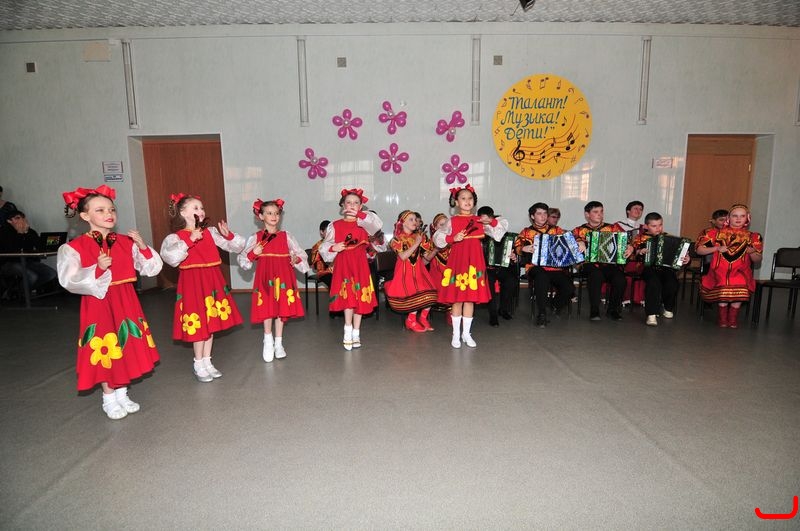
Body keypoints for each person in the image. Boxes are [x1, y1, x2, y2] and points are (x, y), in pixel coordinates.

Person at [57, 185, 162, 420]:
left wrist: (142, 247)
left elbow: (151, 268)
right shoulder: (74, 247)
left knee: (126, 345)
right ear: (85, 216)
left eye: (112, 209)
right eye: (100, 210)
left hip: (126, 301)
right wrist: (98, 269)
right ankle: (109, 397)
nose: (109, 214)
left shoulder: (126, 241)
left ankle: (122, 393)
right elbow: (69, 280)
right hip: (99, 303)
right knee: (105, 347)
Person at [159, 193, 245, 382]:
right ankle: (198, 363)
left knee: (210, 323)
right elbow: (170, 258)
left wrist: (228, 235)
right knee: (198, 324)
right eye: (196, 208)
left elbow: (237, 247)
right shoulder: (176, 238)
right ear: (183, 212)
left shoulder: (210, 232)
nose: (201, 211)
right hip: (193, 284)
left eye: (202, 208)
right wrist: (190, 239)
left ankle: (207, 361)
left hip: (212, 281)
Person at [433, 184, 506, 348]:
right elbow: (438, 238)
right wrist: (452, 238)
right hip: (458, 263)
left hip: (474, 263)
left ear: (474, 201)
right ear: (456, 202)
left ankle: (466, 334)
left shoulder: (479, 221)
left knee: (470, 299)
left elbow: (499, 232)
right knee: (457, 299)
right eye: (463, 198)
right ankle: (455, 335)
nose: (467, 201)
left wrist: (492, 221)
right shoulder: (452, 221)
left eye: (470, 198)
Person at [238, 198, 309, 362]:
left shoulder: (286, 236)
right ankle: (268, 340)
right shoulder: (256, 237)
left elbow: (301, 254)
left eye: (277, 213)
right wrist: (254, 253)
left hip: (284, 277)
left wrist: (295, 259)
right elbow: (243, 260)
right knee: (267, 309)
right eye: (269, 213)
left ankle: (279, 343)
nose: (274, 216)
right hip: (265, 279)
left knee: (281, 309)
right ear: (261, 216)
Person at [319, 188, 383, 350]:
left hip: (360, 266)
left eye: (356, 203)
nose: (352, 205)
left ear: (361, 206)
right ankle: (347, 330)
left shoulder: (365, 224)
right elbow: (324, 247)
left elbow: (377, 225)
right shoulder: (335, 225)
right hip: (344, 265)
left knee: (360, 298)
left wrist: (360, 215)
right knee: (348, 298)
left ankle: (356, 332)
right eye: (349, 202)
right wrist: (334, 247)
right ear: (343, 205)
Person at [695, 204, 762, 328]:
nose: (738, 219)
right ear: (728, 218)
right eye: (735, 216)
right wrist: (717, 248)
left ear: (747, 218)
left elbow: (757, 259)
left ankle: (732, 318)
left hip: (741, 271)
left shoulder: (753, 237)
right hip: (719, 270)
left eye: (742, 216)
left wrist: (752, 252)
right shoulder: (714, 233)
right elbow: (699, 250)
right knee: (724, 283)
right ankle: (722, 318)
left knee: (740, 282)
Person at [514, 202, 575, 327]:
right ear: (532, 216)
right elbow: (516, 247)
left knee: (569, 288)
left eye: (545, 213)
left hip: (555, 268)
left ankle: (554, 304)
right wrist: (523, 248)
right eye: (539, 214)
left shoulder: (557, 230)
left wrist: (579, 243)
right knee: (542, 277)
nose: (543, 216)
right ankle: (541, 314)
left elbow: (571, 243)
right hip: (535, 267)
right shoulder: (526, 232)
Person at [572, 201, 632, 321]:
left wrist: (630, 247)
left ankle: (612, 309)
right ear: (587, 214)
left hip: (608, 263)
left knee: (620, 279)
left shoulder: (612, 228)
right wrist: (579, 241)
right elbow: (569, 242)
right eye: (595, 212)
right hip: (587, 264)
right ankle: (594, 310)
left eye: (601, 211)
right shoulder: (579, 230)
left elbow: (626, 241)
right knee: (596, 275)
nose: (600, 214)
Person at [631, 212, 690, 326]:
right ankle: (651, 314)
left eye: (660, 225)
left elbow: (681, 254)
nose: (658, 228)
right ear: (646, 226)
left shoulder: (668, 237)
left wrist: (687, 259)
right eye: (654, 226)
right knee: (653, 282)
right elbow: (632, 253)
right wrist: (639, 252)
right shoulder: (639, 238)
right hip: (646, 267)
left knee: (672, 282)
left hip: (665, 268)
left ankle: (668, 307)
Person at [383, 210, 438, 332]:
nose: (415, 222)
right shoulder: (396, 240)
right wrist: (417, 243)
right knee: (414, 294)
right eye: (411, 219)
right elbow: (403, 256)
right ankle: (411, 320)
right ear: (402, 223)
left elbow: (427, 257)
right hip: (404, 273)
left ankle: (423, 318)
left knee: (431, 294)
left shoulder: (419, 237)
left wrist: (436, 249)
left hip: (419, 271)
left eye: (415, 219)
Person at [0, 208, 57, 292]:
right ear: (9, 221)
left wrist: (27, 233)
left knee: (51, 274)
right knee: (31, 276)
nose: (21, 220)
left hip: (28, 261)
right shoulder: (3, 232)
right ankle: (18, 293)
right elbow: (13, 251)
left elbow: (40, 247)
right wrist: (19, 234)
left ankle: (19, 291)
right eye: (17, 218)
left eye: (23, 217)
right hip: (9, 263)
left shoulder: (30, 232)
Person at [478, 206, 516, 327]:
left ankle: (503, 309)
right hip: (485, 268)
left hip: (502, 267)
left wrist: (513, 255)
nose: (486, 221)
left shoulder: (501, 227)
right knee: (489, 285)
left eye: (488, 218)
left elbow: (510, 248)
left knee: (511, 282)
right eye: (483, 218)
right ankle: (493, 314)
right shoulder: (478, 231)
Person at [617, 200, 645, 307]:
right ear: (628, 211)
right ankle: (626, 297)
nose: (638, 211)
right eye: (635, 208)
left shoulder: (643, 228)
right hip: (623, 257)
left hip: (638, 257)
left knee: (645, 266)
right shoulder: (618, 226)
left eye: (640, 209)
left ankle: (639, 297)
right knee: (631, 266)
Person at [310, 220, 333, 287]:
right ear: (321, 232)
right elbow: (315, 264)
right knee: (332, 278)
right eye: (328, 231)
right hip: (323, 271)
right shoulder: (317, 246)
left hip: (334, 269)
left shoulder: (335, 243)